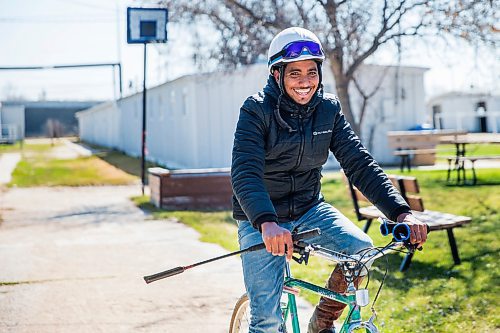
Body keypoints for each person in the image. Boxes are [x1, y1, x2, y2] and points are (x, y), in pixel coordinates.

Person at [231, 27, 427, 333]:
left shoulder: (328, 109)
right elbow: (245, 173)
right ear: (276, 74)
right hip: (261, 218)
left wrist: (401, 212)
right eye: (294, 73)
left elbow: (359, 163)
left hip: (310, 209)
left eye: (312, 71)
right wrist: (267, 223)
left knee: (361, 252)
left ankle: (322, 322)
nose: (305, 81)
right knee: (268, 322)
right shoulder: (255, 110)